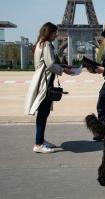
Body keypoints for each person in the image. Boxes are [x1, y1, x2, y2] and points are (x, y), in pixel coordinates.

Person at [25, 22, 73, 153]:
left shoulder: (39, 44)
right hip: (45, 84)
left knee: (43, 113)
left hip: (42, 81)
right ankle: (38, 144)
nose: (56, 35)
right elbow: (51, 64)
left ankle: (40, 140)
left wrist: (63, 67)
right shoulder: (46, 45)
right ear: (49, 33)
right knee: (43, 114)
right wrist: (64, 70)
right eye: (55, 33)